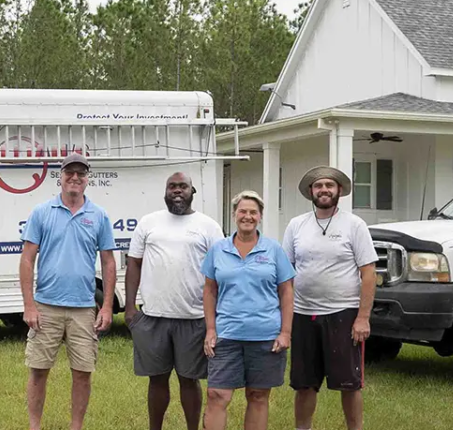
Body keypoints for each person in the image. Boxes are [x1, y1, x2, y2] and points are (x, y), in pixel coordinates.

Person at [19, 152, 118, 430]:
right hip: (46, 307)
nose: (75, 178)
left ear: (87, 179)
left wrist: (107, 306)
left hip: (84, 308)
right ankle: (34, 426)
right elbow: (27, 259)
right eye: (69, 173)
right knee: (38, 371)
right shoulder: (41, 213)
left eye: (81, 173)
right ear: (60, 177)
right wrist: (29, 305)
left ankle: (76, 427)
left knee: (83, 373)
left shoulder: (99, 216)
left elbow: (108, 261)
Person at [281, 166, 379, 430]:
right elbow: (285, 273)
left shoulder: (354, 225)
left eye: (329, 185)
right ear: (311, 192)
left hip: (343, 315)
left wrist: (363, 318)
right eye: (318, 185)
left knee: (349, 384)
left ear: (339, 191)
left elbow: (368, 273)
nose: (324, 189)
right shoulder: (296, 225)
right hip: (302, 314)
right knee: (304, 384)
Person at [125, 172, 224, 430]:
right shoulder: (149, 222)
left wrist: (217, 315)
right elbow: (134, 264)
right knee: (156, 380)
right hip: (153, 317)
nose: (177, 191)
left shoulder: (209, 226)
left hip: (193, 318)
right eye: (172, 187)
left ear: (193, 192)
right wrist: (129, 308)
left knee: (189, 380)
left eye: (183, 186)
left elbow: (221, 271)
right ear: (165, 192)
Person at [199, 190, 295, 430]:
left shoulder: (273, 250)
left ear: (260, 216)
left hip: (265, 337)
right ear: (234, 215)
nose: (247, 216)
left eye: (253, 212)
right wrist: (210, 329)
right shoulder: (218, 250)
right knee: (217, 395)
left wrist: (285, 333)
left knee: (258, 396)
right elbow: (210, 291)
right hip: (227, 335)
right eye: (243, 211)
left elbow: (287, 292)